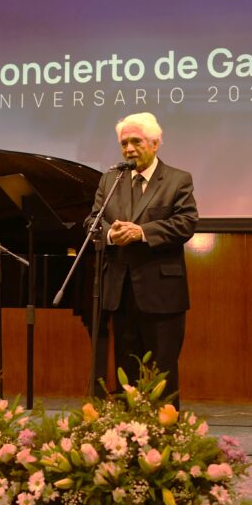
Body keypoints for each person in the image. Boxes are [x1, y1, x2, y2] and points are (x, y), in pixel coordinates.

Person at [86, 112, 198, 408]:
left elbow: (186, 223)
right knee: (127, 372)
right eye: (124, 143)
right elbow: (92, 223)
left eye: (136, 141)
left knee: (162, 371)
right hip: (120, 294)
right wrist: (111, 234)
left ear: (156, 143)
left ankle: (166, 439)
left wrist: (142, 232)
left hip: (162, 294)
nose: (129, 149)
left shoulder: (177, 180)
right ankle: (127, 436)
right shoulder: (110, 180)